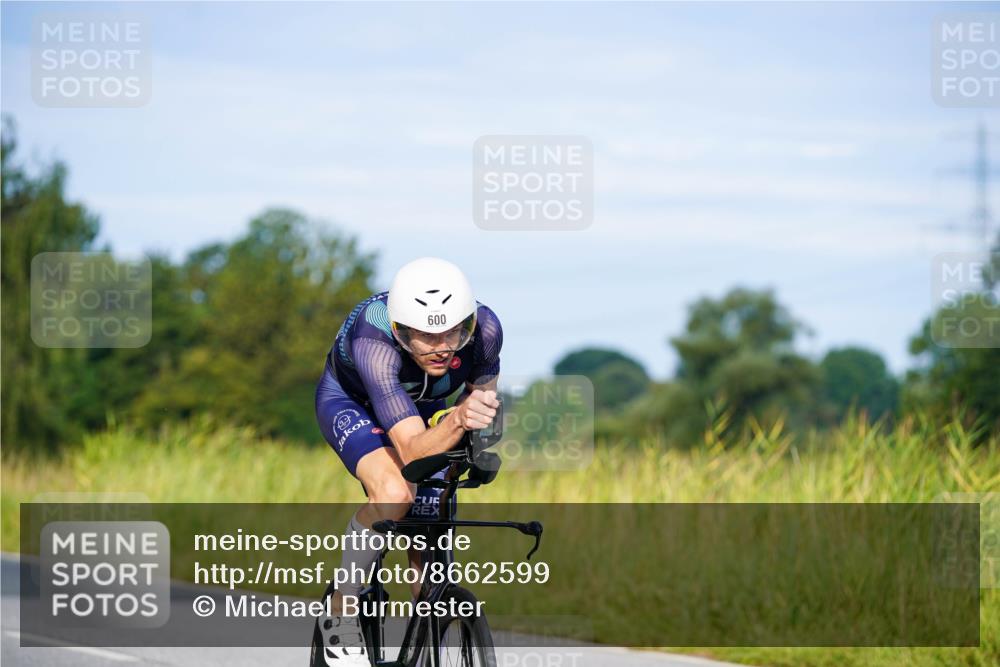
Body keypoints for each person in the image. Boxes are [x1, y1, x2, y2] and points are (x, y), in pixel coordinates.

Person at [314, 257, 502, 665]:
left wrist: (474, 446)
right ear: (400, 332)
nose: (442, 347)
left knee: (431, 511)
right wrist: (456, 419)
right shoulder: (373, 340)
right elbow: (414, 448)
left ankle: (428, 616)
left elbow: (483, 403)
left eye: (453, 332)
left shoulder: (486, 330)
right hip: (354, 404)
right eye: (426, 336)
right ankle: (342, 605)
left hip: (419, 405)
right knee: (396, 492)